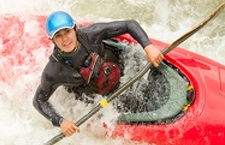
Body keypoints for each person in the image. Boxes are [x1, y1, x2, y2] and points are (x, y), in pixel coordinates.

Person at [33, 11, 164, 136]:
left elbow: (129, 24)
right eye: (58, 36)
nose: (65, 39)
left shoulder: (92, 34)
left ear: (75, 29)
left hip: (123, 70)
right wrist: (60, 121)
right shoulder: (54, 71)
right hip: (98, 96)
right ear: (52, 41)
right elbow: (39, 100)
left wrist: (148, 47)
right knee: (143, 106)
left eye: (67, 31)